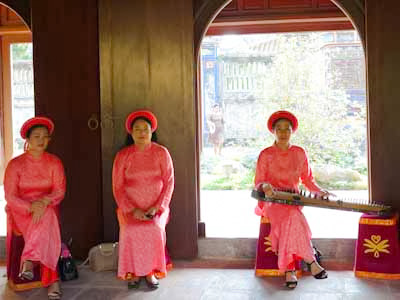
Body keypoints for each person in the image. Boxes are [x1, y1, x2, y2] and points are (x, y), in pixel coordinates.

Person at [254, 110, 329, 289]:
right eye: (279, 129)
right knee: (292, 218)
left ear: (292, 132)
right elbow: (258, 181)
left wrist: (320, 192)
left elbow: (307, 179)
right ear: (273, 131)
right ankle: (311, 261)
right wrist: (265, 187)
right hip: (272, 201)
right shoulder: (266, 154)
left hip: (292, 200)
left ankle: (290, 271)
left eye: (286, 129)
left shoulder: (299, 152)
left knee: (292, 216)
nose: (283, 133)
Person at [4, 116, 66, 299]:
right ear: (28, 140)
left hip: (47, 205)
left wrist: (44, 202)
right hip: (22, 209)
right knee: (46, 221)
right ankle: (53, 282)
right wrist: (31, 206)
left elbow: (59, 191)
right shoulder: (15, 165)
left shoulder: (54, 162)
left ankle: (29, 260)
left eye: (45, 136)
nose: (41, 140)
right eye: (36, 136)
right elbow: (10, 196)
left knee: (46, 218)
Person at [112, 109, 174, 290]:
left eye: (145, 129)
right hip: (129, 209)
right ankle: (132, 273)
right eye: (137, 129)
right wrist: (132, 210)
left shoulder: (162, 153)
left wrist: (158, 207)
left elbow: (169, 182)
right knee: (130, 230)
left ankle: (150, 272)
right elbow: (118, 187)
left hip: (156, 208)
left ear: (152, 131)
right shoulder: (123, 156)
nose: (141, 133)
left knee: (154, 229)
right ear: (130, 132)